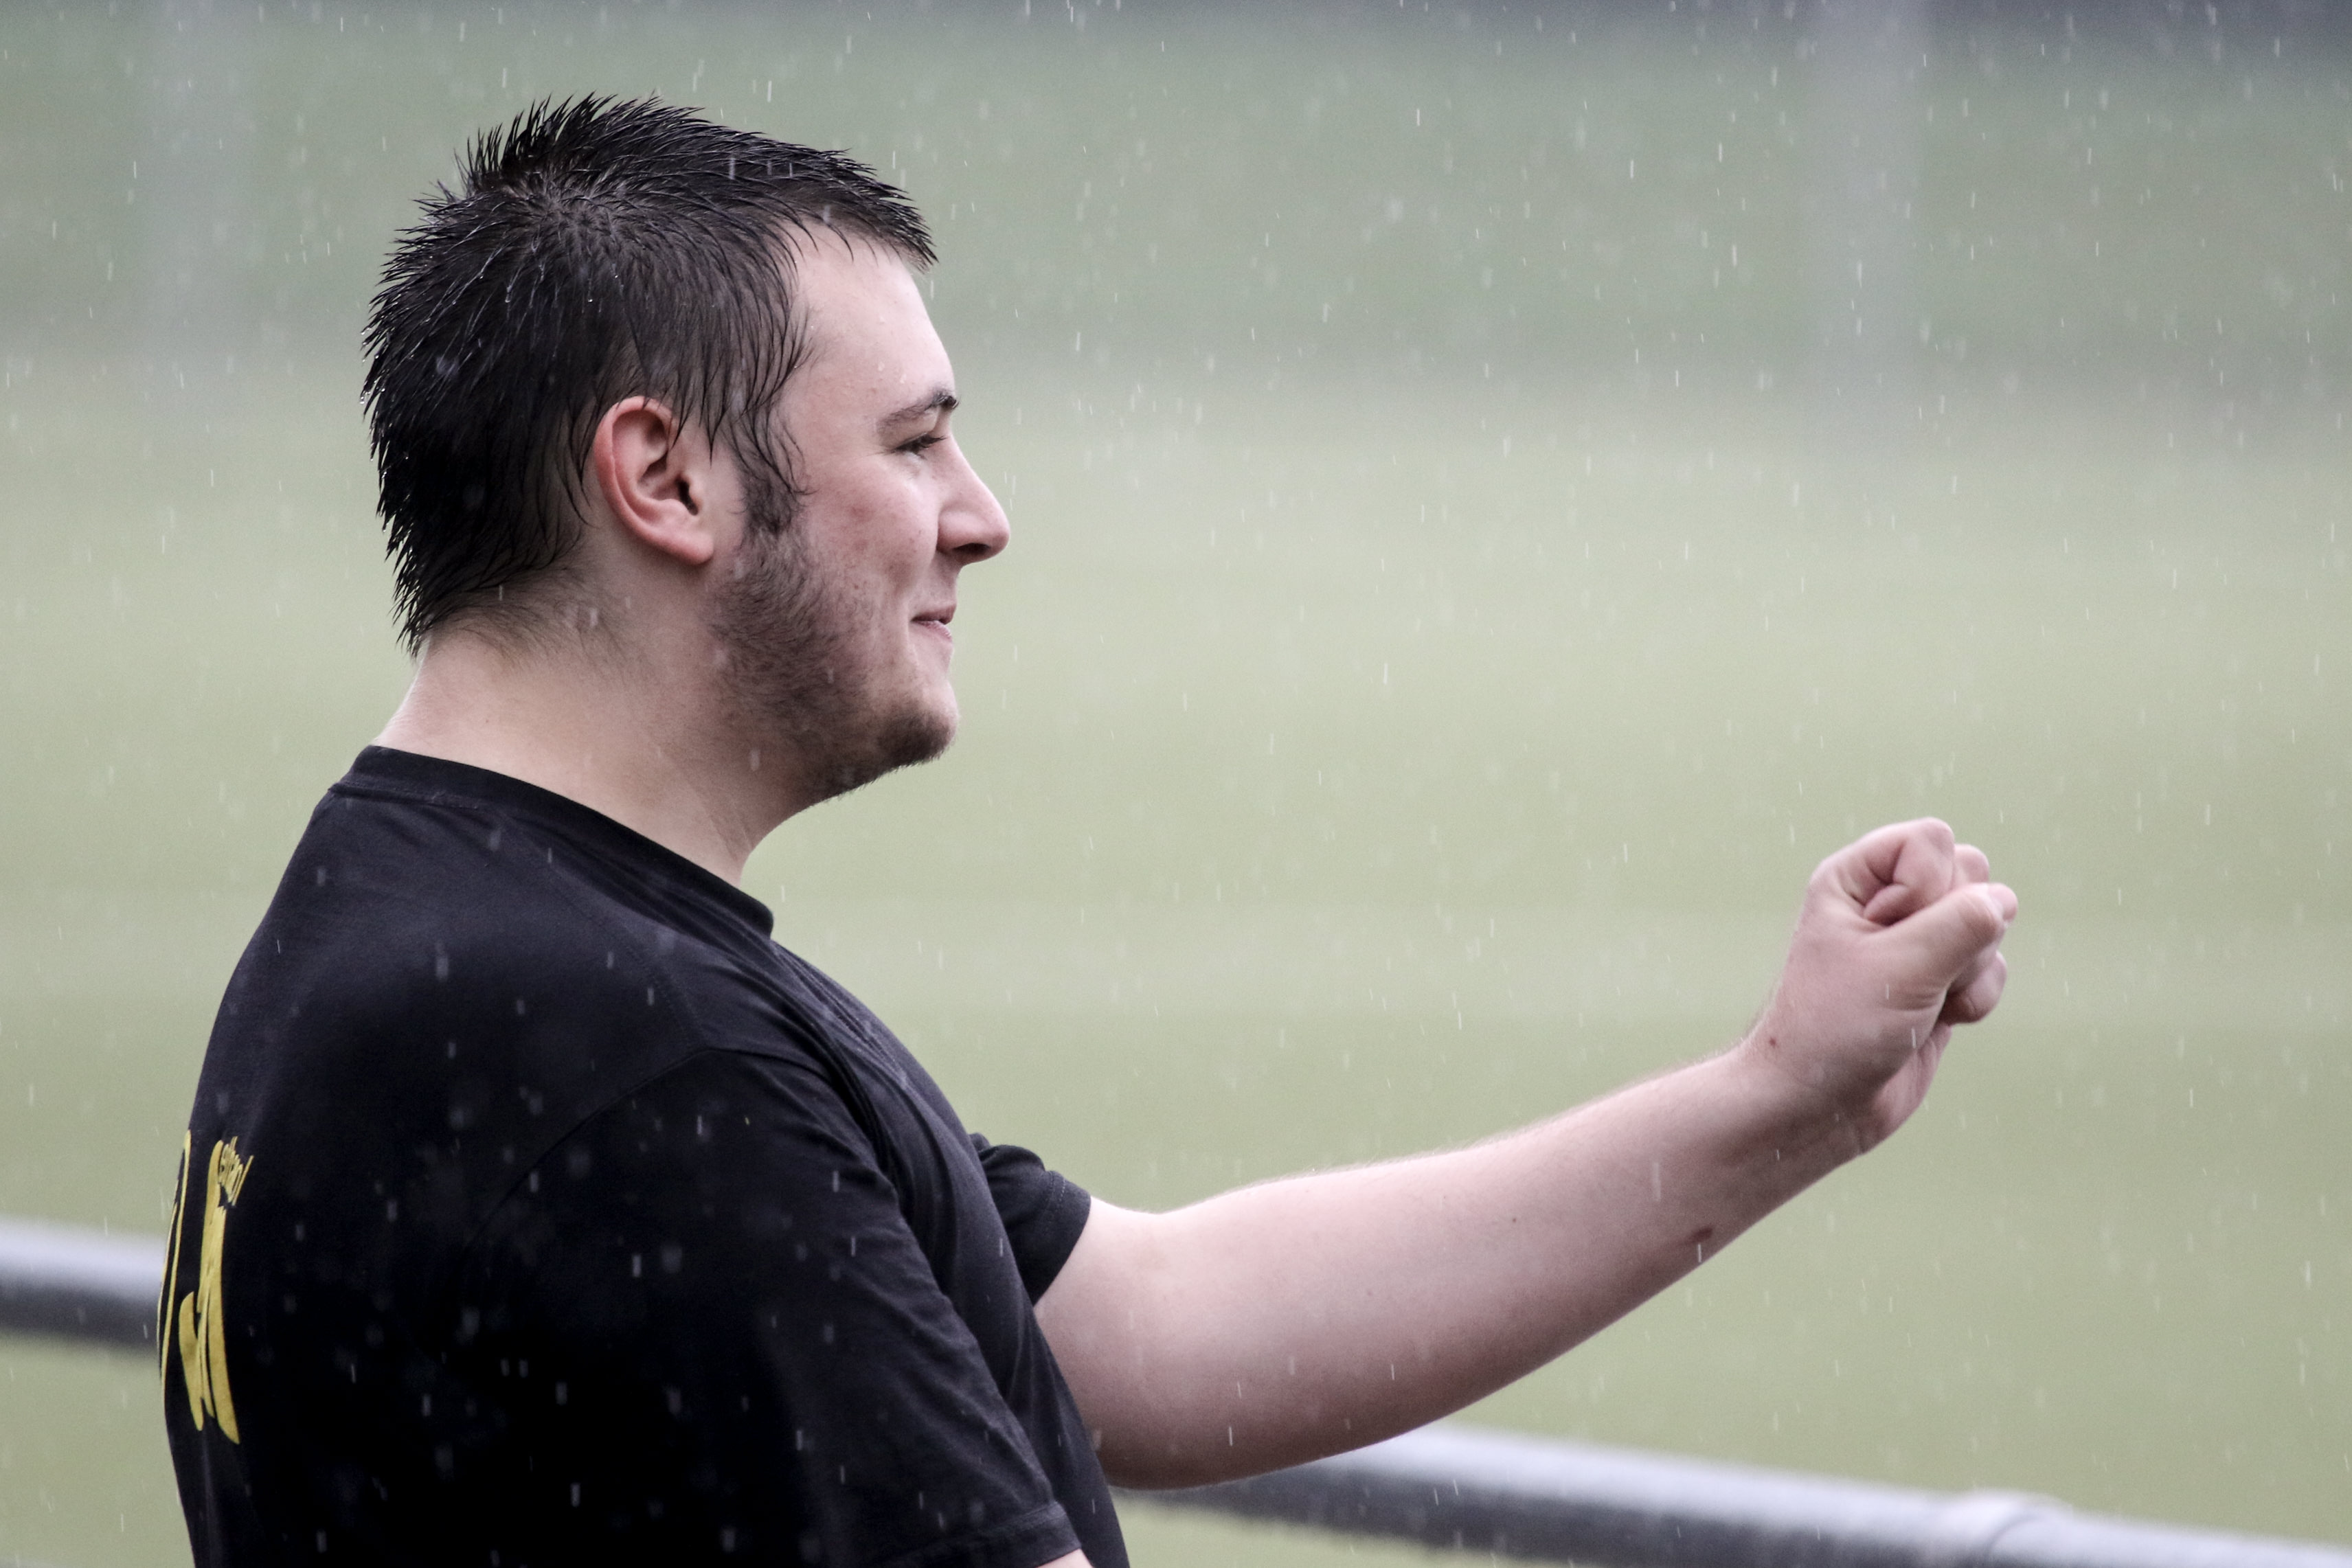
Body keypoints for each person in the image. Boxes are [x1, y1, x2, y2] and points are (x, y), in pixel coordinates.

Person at [161, 97, 2015, 1568]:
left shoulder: (408, 920)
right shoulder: (631, 1066)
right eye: (915, 441)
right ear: (667, 477)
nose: (982, 516)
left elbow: (1150, 1326)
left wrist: (1788, 1095)